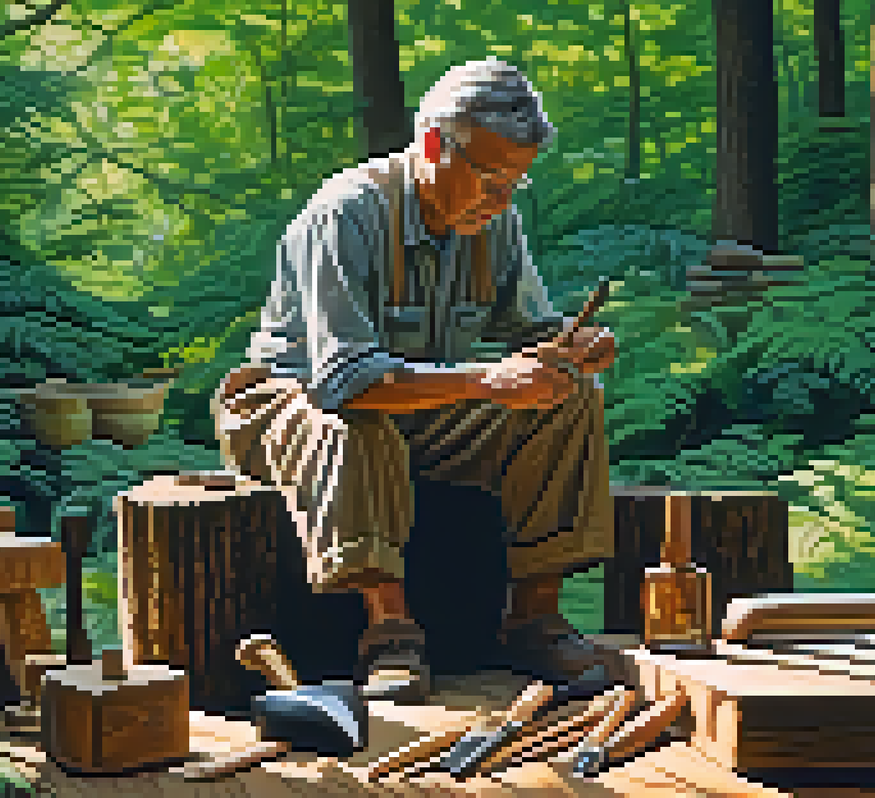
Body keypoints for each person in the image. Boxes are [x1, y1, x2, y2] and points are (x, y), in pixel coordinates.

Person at [213, 58, 624, 703]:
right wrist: (489, 380)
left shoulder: (496, 224)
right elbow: (348, 381)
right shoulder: (345, 215)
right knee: (359, 419)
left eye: (517, 181)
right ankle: (390, 631)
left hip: (425, 404)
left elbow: (527, 332)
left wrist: (566, 349)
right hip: (291, 407)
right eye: (490, 176)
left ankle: (534, 617)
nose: (501, 198)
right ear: (433, 143)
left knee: (566, 400)